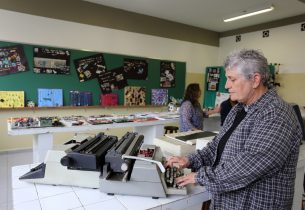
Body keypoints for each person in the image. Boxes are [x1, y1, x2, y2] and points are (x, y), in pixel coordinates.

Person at [166, 49, 302, 210]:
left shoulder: (277, 114)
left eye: (232, 79)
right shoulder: (238, 110)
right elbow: (216, 146)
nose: (226, 85)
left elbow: (249, 165)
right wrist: (190, 160)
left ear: (255, 80)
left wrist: (201, 176)